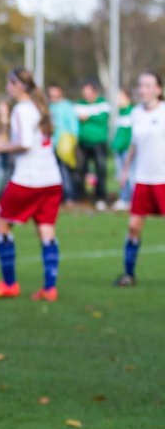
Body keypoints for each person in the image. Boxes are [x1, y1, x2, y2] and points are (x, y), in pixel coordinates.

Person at [0, 68, 63, 301]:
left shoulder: (21, 109)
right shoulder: (40, 106)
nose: (8, 88)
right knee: (46, 230)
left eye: (10, 83)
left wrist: (1, 146)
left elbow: (25, 143)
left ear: (18, 85)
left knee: (2, 224)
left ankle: (9, 283)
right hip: (51, 179)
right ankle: (50, 287)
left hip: (28, 179)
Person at [114, 71, 165, 287]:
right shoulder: (136, 113)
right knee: (134, 226)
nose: (143, 89)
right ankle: (129, 274)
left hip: (163, 179)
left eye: (148, 85)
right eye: (141, 85)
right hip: (142, 179)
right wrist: (125, 171)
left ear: (158, 90)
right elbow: (133, 145)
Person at [73, 81, 111, 207]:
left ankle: (100, 197)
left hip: (99, 143)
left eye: (88, 93)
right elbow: (76, 117)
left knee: (100, 170)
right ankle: (81, 196)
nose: (86, 95)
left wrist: (88, 117)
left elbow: (101, 119)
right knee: (80, 170)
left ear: (95, 92)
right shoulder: (79, 104)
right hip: (83, 143)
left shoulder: (103, 104)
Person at [47, 83, 79, 200]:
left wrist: (72, 142)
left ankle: (69, 195)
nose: (53, 97)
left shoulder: (67, 107)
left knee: (65, 172)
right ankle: (56, 197)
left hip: (65, 146)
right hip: (51, 145)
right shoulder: (49, 107)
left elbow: (74, 127)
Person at [112, 88, 134, 211]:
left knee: (128, 175)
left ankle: (128, 199)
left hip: (127, 151)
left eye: (120, 96)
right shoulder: (120, 113)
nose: (117, 99)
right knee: (121, 176)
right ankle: (124, 198)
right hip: (119, 150)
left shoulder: (133, 112)